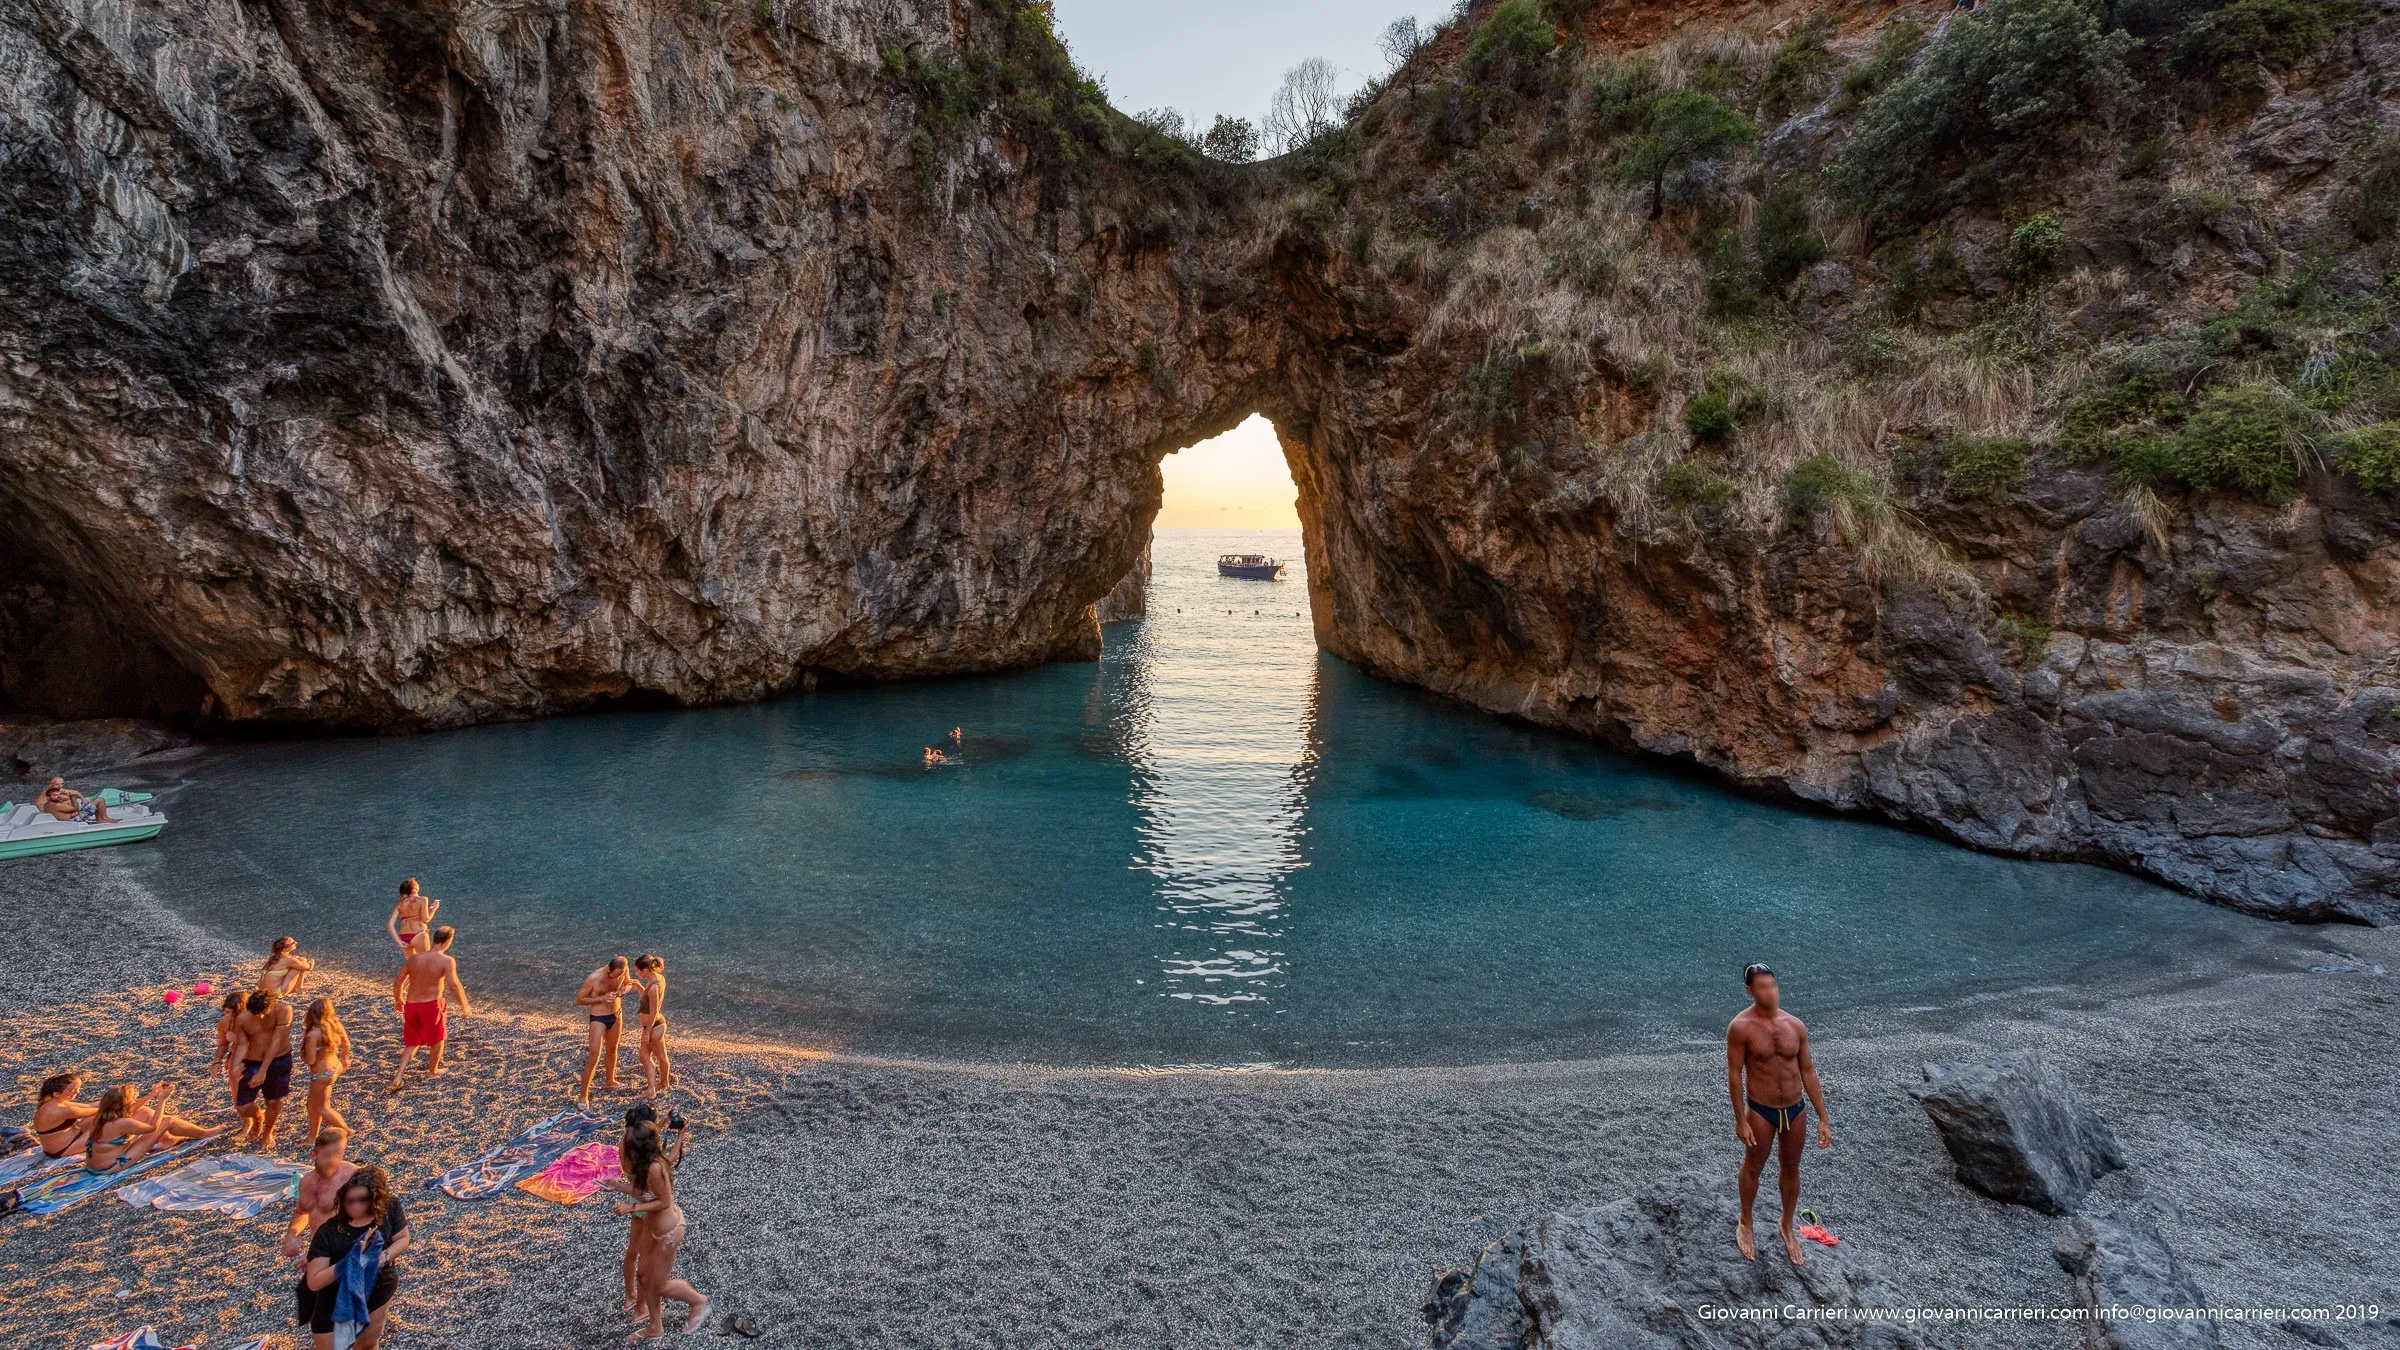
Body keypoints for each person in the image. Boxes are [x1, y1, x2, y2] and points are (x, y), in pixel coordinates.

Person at [1726, 963, 1832, 1265]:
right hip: (1761, 1110)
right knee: (1753, 1167)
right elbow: (1735, 1075)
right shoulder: (1740, 1027)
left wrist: (1823, 1117)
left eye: (1773, 985)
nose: (1770, 992)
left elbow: (1808, 1071)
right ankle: (1746, 1221)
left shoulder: (1795, 1026)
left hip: (1796, 1109)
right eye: (1762, 987)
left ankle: (1786, 1224)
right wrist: (1740, 1118)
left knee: (1791, 1167)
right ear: (1750, 990)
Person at [611, 1120, 708, 1339]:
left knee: (659, 1284)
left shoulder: (655, 1167)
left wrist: (632, 1207)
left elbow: (664, 1201)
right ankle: (655, 1326)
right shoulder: (643, 1165)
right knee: (644, 1277)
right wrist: (617, 1186)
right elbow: (644, 1192)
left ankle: (698, 1301)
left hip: (668, 1231)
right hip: (652, 1229)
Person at [302, 1164, 409, 1350]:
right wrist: (350, 1261)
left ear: (375, 1198)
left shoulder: (390, 1207)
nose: (354, 1205)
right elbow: (314, 1281)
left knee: (367, 1344)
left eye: (362, 1200)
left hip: (377, 1286)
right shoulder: (329, 1232)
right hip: (335, 1295)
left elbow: (402, 1238)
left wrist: (385, 1256)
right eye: (349, 1200)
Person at [606, 1105, 688, 1319]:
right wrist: (680, 1137)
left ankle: (629, 1297)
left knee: (631, 1253)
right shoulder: (649, 1159)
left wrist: (662, 1122)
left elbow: (647, 1136)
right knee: (646, 1260)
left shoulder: (626, 1142)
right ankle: (641, 1309)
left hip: (633, 1194)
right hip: (647, 1202)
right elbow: (667, 1161)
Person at [285, 1128, 358, 1338]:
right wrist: (292, 1234)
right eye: (327, 1155)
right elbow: (302, 1212)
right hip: (322, 1254)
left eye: (338, 1154)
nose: (333, 1161)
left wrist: (321, 1257)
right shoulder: (306, 1182)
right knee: (320, 1313)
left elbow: (365, 1224)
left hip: (346, 1255)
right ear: (313, 1156)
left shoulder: (351, 1178)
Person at [391, 926, 471, 1092]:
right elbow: (454, 986)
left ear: (434, 939)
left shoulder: (414, 959)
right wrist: (464, 1005)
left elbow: (398, 981)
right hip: (431, 1005)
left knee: (412, 1042)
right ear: (447, 942)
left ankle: (398, 1076)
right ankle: (433, 1071)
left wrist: (398, 999)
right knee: (437, 1039)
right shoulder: (446, 961)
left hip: (411, 1005)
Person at [84, 1083, 209, 1171]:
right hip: (112, 1166)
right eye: (132, 1099)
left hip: (94, 1166)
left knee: (142, 1111)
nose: (134, 1100)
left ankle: (169, 1140)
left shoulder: (102, 1116)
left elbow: (131, 1109)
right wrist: (162, 1101)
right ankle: (204, 1133)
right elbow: (153, 1127)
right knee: (168, 1120)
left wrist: (151, 1095)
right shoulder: (122, 1123)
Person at [233, 988, 297, 1148]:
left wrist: (263, 1071)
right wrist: (236, 1063)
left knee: (273, 1101)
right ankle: (258, 1118)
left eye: (261, 1012)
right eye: (254, 1013)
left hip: (278, 1060)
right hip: (252, 1061)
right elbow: (242, 1043)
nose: (259, 1017)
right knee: (243, 1105)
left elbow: (276, 1042)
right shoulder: (243, 1018)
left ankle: (268, 1132)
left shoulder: (284, 1010)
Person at [575, 958, 635, 1108]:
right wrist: (602, 998)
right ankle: (583, 1095)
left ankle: (610, 1080)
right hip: (599, 1017)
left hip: (616, 1013)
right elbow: (579, 999)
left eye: (620, 974)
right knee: (594, 1056)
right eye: (615, 975)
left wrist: (623, 991)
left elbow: (628, 983)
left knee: (613, 1048)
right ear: (609, 970)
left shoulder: (623, 969)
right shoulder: (594, 977)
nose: (618, 977)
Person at [300, 998, 351, 1144]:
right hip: (334, 1066)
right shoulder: (335, 1025)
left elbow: (310, 1060)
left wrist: (303, 1055)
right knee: (311, 1104)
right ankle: (312, 1136)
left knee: (322, 1107)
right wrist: (345, 1059)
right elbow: (346, 1044)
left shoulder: (313, 1034)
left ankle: (346, 1130)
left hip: (321, 1073)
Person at [30, 1071, 98, 1158]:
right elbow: (101, 1110)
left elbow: (89, 1106)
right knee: (110, 1121)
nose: (77, 1092)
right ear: (56, 1094)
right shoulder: (63, 1110)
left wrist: (116, 1096)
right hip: (64, 1149)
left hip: (65, 1141)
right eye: (72, 1090)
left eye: (78, 1088)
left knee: (98, 1117)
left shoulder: (54, 1102)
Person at [632, 955, 673, 1097]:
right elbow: (648, 1001)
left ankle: (653, 1089)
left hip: (654, 1026)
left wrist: (647, 1032)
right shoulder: (657, 979)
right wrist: (638, 987)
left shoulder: (654, 987)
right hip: (655, 1025)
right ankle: (662, 1082)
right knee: (652, 1056)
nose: (636, 973)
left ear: (645, 970)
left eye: (637, 971)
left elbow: (654, 1011)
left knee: (654, 1056)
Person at [210, 991, 249, 1107]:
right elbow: (223, 1044)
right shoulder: (224, 1023)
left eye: (235, 1014)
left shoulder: (257, 1020)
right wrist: (217, 1061)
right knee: (238, 1097)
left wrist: (238, 1039)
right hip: (237, 1057)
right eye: (227, 1013)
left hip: (259, 1057)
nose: (231, 1016)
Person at [385, 878, 440, 951]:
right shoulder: (422, 899)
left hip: (404, 936)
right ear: (415, 888)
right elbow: (425, 920)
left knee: (411, 962)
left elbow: (390, 924)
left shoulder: (400, 904)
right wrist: (433, 910)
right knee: (426, 961)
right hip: (418, 933)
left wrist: (398, 941)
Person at [34, 776, 111, 824]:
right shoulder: (46, 796)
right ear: (50, 785)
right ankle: (104, 818)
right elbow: (42, 807)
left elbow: (75, 792)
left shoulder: (59, 792)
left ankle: (100, 818)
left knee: (90, 803)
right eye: (57, 784)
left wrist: (82, 799)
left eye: (61, 784)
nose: (60, 786)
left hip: (72, 814)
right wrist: (72, 799)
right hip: (74, 818)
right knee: (99, 800)